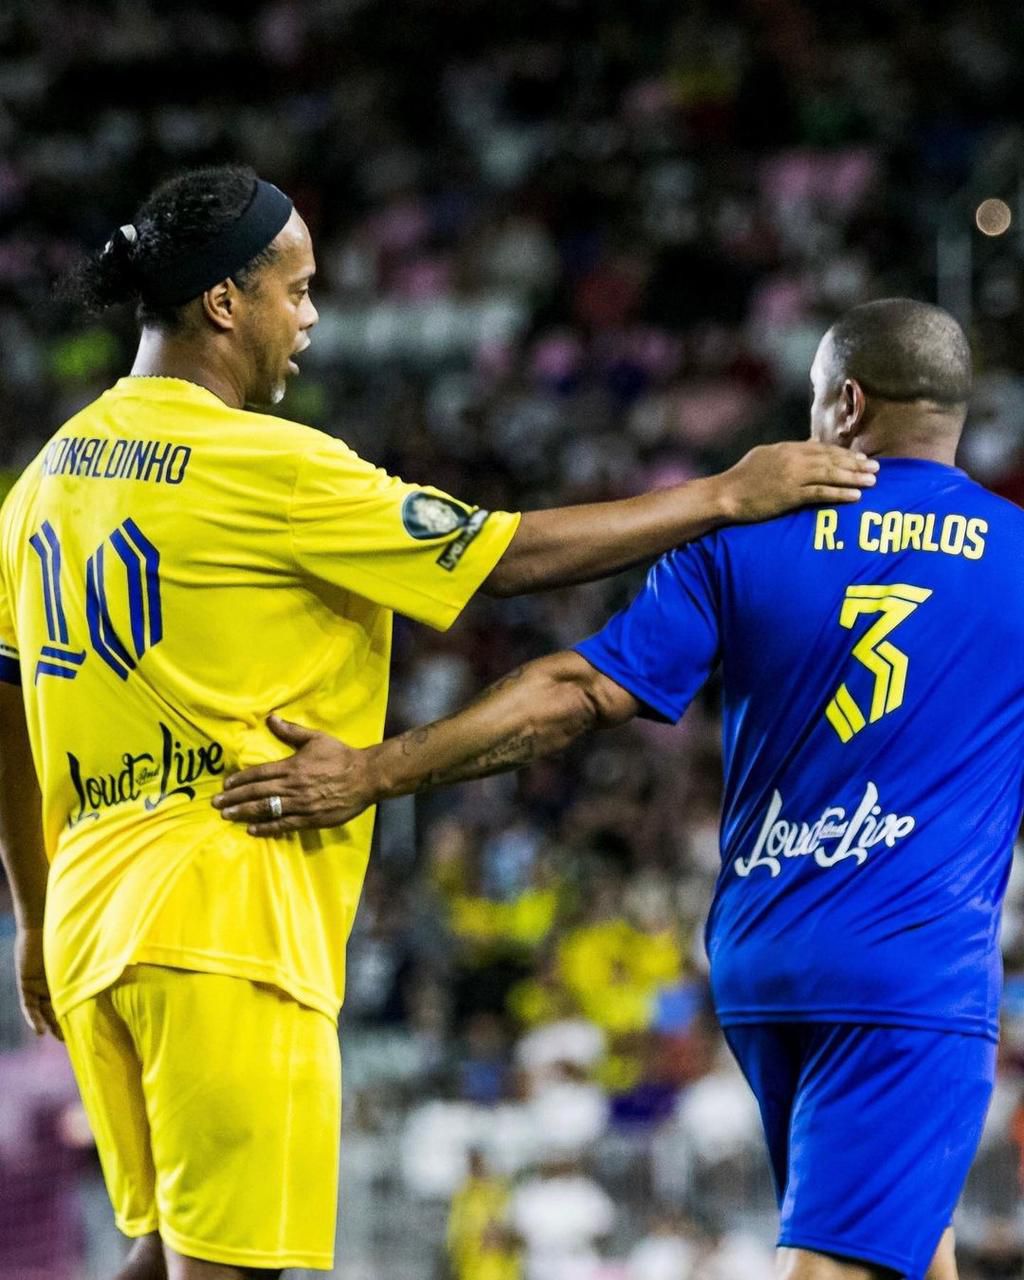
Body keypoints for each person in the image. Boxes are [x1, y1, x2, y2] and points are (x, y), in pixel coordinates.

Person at [0, 164, 875, 1280]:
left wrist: (33, 911)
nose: (312, 318)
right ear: (226, 302)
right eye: (298, 290)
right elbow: (508, 557)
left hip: (89, 931)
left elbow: (7, 703)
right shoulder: (269, 464)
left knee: (169, 1247)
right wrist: (720, 494)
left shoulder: (46, 477)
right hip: (223, 915)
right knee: (227, 1266)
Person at [219, 299, 1024, 1280]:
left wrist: (371, 769)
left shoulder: (742, 536)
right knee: (839, 1263)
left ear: (845, 404)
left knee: (909, 1246)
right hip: (909, 969)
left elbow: (575, 692)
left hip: (765, 963)